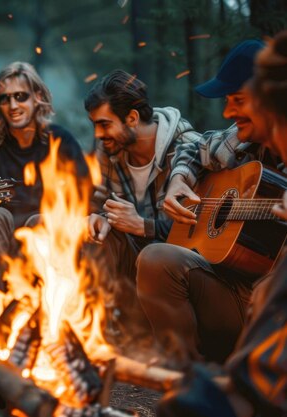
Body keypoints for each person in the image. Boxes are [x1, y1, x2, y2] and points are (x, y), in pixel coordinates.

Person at [157, 31, 287, 417]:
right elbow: (194, 145)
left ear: (269, 103)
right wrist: (179, 178)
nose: (228, 112)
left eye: (238, 100)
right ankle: (187, 372)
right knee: (157, 257)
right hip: (243, 296)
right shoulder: (240, 142)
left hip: (268, 316)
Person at [83, 69, 202, 340]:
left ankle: (176, 352)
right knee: (90, 234)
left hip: (177, 278)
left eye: (104, 124)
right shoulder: (109, 150)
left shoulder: (189, 149)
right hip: (130, 274)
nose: (99, 134)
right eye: (94, 125)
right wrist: (96, 217)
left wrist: (144, 226)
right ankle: (100, 335)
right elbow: (98, 202)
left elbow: (199, 233)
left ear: (132, 118)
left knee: (156, 256)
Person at [0, 61, 90, 291]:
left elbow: (84, 197)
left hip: (49, 241)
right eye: (5, 98)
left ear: (37, 96)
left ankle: (49, 310)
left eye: (21, 96)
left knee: (41, 221)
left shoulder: (60, 140)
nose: (13, 105)